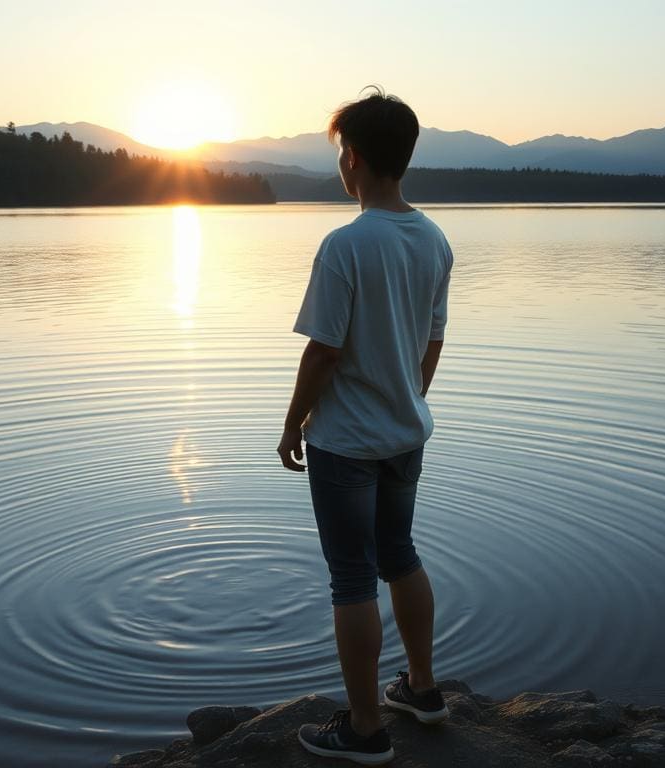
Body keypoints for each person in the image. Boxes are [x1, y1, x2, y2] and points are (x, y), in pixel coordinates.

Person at [277, 84, 453, 765]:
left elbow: (322, 351)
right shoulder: (433, 239)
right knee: (399, 554)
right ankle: (424, 689)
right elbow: (432, 338)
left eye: (342, 151)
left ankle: (364, 728)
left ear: (353, 159)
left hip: (345, 443)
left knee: (351, 578)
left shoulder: (346, 245)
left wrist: (293, 425)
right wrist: (407, 397)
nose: (341, 163)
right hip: (406, 435)